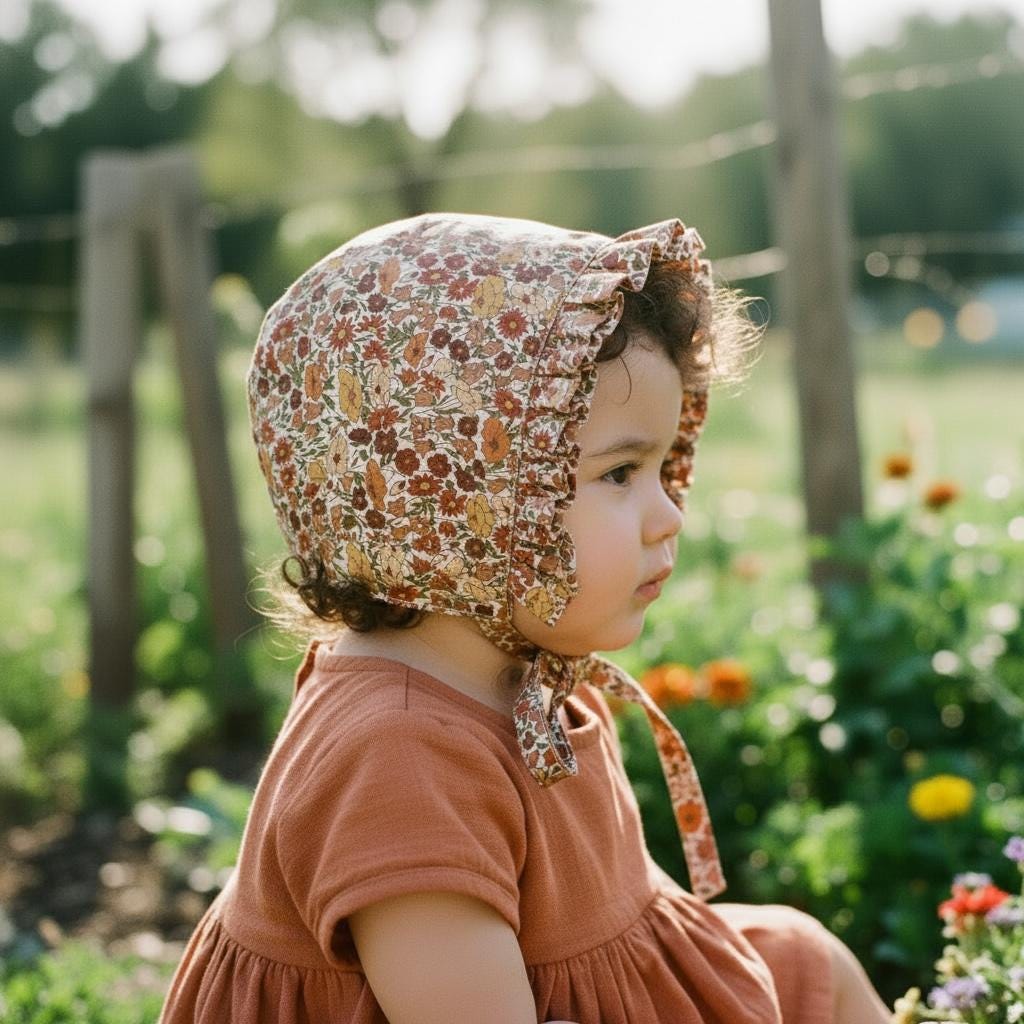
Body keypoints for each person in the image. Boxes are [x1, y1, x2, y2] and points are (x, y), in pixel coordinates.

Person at [157, 213, 892, 1023]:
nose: (670, 514)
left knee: (803, 960)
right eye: (620, 474)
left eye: (659, 469)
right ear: (453, 503)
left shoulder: (524, 673)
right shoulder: (399, 756)